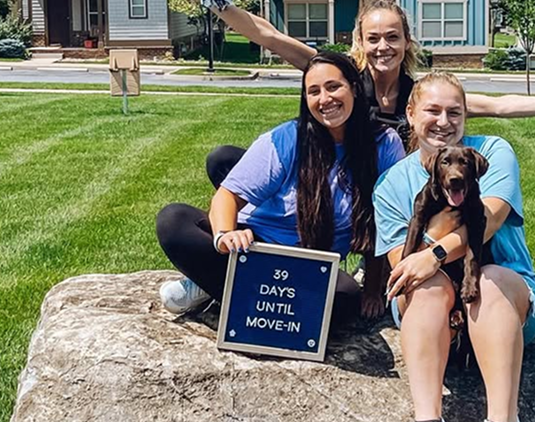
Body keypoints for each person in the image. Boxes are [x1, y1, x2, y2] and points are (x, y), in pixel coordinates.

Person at [194, 0, 535, 186]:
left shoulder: (420, 98)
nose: (383, 47)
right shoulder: (341, 78)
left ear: (407, 42)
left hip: (383, 194)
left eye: (393, 37)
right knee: (225, 160)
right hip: (326, 182)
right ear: (360, 42)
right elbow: (269, 35)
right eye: (374, 38)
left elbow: (500, 105)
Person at [156, 52, 405, 322]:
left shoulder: (385, 144)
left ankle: (220, 286)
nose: (325, 99)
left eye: (334, 87)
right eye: (314, 92)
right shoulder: (287, 138)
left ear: (354, 88)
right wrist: (225, 236)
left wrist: (371, 290)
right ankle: (238, 288)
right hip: (253, 250)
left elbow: (384, 222)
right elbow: (227, 197)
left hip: (312, 265)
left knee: (345, 303)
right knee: (173, 220)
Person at [373, 72, 535, 422]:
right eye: (432, 110)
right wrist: (427, 254)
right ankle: (427, 417)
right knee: (426, 288)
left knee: (488, 279)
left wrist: (434, 253)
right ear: (410, 113)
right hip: (430, 314)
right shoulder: (391, 184)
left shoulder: (492, 153)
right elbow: (404, 270)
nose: (443, 122)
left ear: (466, 115)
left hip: (506, 302)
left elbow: (490, 220)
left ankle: (503, 417)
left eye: (454, 112)